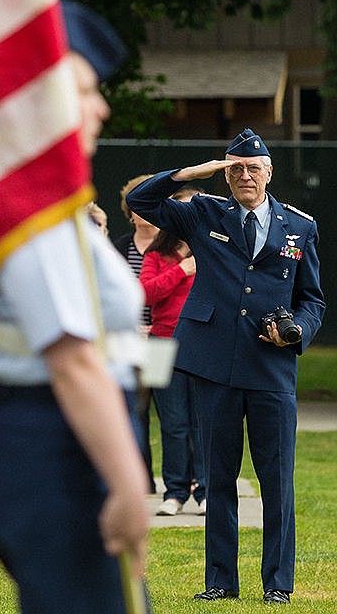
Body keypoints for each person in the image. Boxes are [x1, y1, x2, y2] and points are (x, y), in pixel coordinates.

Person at [0, 0, 150, 614]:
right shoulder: (33, 215)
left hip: (62, 438)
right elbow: (73, 363)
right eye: (84, 90)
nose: (101, 106)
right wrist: (129, 485)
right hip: (53, 446)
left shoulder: (51, 204)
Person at [126, 128, 325, 604]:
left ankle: (277, 584)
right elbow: (140, 198)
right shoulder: (203, 213)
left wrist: (295, 330)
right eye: (235, 168)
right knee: (218, 477)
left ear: (269, 172)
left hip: (271, 368)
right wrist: (194, 173)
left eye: (253, 168)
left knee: (277, 481)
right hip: (213, 364)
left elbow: (312, 300)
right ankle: (220, 581)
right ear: (225, 174)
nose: (244, 176)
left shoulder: (300, 226)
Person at [139, 185, 206, 516]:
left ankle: (205, 489)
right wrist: (181, 270)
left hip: (201, 344)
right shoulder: (156, 254)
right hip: (159, 344)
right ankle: (175, 492)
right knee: (171, 421)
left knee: (204, 419)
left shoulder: (211, 248)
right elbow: (144, 294)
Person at [114, 177, 159, 493]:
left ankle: (181, 482)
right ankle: (140, 479)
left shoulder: (173, 246)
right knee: (136, 409)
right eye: (135, 206)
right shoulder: (118, 247)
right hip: (128, 340)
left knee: (173, 416)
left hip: (161, 339)